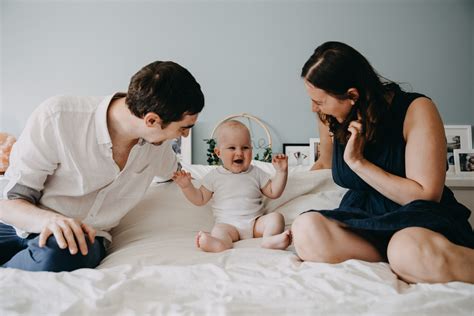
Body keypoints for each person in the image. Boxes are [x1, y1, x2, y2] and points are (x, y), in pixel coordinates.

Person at [292, 41, 474, 284]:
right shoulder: (330, 117)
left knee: (405, 249)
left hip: (417, 221)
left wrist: (358, 163)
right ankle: (400, 264)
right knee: (305, 227)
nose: (313, 108)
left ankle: (414, 260)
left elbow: (426, 195)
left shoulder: (416, 109)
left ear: (352, 95)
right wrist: (279, 193)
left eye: (320, 101)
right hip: (364, 220)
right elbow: (324, 164)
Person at [0, 61, 204, 272]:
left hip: (75, 242)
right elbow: (10, 201)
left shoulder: (157, 148)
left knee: (62, 254)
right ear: (151, 120)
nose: (186, 135)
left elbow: (177, 173)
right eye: (184, 128)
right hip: (16, 225)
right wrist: (51, 221)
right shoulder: (58, 118)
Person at [173, 120, 291, 252]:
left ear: (251, 149)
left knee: (276, 218)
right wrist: (186, 186)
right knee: (218, 230)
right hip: (228, 226)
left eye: (245, 147)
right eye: (232, 148)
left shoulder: (256, 172)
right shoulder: (214, 176)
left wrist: (281, 172)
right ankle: (220, 244)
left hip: (255, 224)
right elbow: (199, 199)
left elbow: (274, 192)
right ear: (218, 153)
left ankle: (269, 239)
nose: (239, 153)